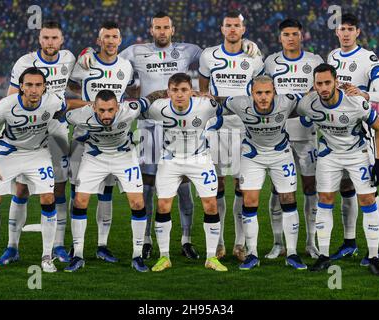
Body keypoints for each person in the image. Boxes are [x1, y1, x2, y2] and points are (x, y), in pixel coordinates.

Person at [78, 11, 261, 261]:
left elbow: (216, 53)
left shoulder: (190, 50)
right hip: (151, 127)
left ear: (172, 30)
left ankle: (186, 239)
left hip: (185, 125)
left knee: (185, 186)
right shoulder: (134, 51)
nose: (162, 31)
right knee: (150, 186)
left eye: (166, 27)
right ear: (151, 30)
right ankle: (147, 241)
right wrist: (88, 52)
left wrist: (248, 45)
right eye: (157, 27)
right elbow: (106, 56)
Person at [297, 64, 379, 275]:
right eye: (319, 83)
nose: (324, 87)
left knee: (367, 200)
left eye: (328, 82)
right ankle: (324, 256)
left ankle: (374, 257)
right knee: (325, 199)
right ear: (314, 85)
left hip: (358, 154)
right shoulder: (307, 104)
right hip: (329, 155)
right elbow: (292, 110)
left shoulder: (355, 102)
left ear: (336, 81)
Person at [0, 21, 76, 265]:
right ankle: (12, 247)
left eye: (54, 38)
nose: (50, 42)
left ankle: (59, 246)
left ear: (61, 40)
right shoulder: (25, 62)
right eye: (46, 38)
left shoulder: (69, 58)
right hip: (30, 129)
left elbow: (72, 84)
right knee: (21, 189)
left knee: (59, 188)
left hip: (57, 129)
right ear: (39, 39)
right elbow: (12, 97)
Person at [0, 67, 65, 273]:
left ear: (45, 87)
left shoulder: (54, 101)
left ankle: (47, 257)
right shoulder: (7, 105)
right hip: (8, 152)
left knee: (48, 198)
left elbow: (64, 108)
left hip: (38, 153)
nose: (34, 90)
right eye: (29, 85)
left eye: (38, 85)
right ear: (21, 87)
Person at [216, 75, 307, 270]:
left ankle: (292, 253)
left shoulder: (288, 101)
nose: (263, 97)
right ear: (252, 93)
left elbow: (311, 98)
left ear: (274, 92)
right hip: (252, 156)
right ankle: (252, 253)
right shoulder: (238, 103)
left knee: (288, 200)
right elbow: (216, 103)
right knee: (249, 202)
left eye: (267, 92)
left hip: (281, 155)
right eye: (259, 93)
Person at [142, 73, 227, 272]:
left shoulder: (205, 106)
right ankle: (164, 257)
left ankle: (211, 257)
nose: (179, 94)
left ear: (192, 91)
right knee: (163, 205)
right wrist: (156, 95)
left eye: (184, 90)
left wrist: (211, 97)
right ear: (168, 92)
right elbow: (136, 108)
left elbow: (225, 107)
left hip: (200, 159)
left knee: (211, 204)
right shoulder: (158, 108)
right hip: (170, 161)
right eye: (174, 90)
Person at [64, 89, 154, 272]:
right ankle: (78, 254)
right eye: (102, 110)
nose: (107, 115)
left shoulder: (130, 109)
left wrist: (190, 94)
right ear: (94, 108)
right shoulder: (80, 115)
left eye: (111, 110)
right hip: (94, 157)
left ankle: (137, 256)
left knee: (137, 203)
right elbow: (62, 108)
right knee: (80, 201)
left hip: (124, 157)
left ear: (118, 107)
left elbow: (150, 99)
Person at [199, 11, 264, 261]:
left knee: (241, 187)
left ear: (243, 29)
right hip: (217, 129)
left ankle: (239, 243)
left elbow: (261, 91)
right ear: (222, 29)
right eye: (229, 25)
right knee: (217, 186)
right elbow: (205, 92)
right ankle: (218, 243)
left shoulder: (254, 57)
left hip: (245, 130)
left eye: (237, 25)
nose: (233, 29)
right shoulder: (209, 55)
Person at [68, 21, 135, 264]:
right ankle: (76, 248)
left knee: (106, 191)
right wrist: (87, 106)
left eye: (114, 37)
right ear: (99, 40)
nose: (109, 41)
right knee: (78, 192)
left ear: (120, 40)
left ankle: (102, 245)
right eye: (105, 36)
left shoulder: (126, 67)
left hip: (111, 140)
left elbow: (128, 93)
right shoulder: (84, 62)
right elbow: (72, 86)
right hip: (82, 136)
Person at [327, 13, 379, 264]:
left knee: (370, 193)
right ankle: (349, 242)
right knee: (346, 189)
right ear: (336, 32)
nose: (345, 33)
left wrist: (363, 92)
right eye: (341, 29)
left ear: (357, 32)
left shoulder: (367, 58)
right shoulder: (332, 56)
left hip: (362, 134)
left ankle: (374, 251)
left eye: (350, 29)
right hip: (336, 136)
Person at [263, 18, 324, 259]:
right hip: (279, 135)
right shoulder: (270, 62)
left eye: (295, 34)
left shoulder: (315, 61)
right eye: (286, 34)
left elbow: (319, 90)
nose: (290, 38)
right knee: (278, 190)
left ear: (302, 36)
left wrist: (297, 101)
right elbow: (267, 93)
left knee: (311, 187)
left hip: (307, 135)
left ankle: (311, 243)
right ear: (280, 37)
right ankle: (278, 243)